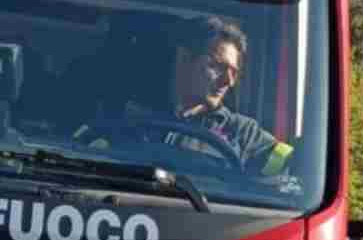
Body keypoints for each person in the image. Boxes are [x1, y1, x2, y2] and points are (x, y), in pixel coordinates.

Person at [73, 16, 294, 176]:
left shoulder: (243, 133)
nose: (229, 82)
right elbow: (76, 160)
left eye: (234, 72)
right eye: (216, 66)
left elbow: (294, 165)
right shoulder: (122, 114)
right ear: (184, 59)